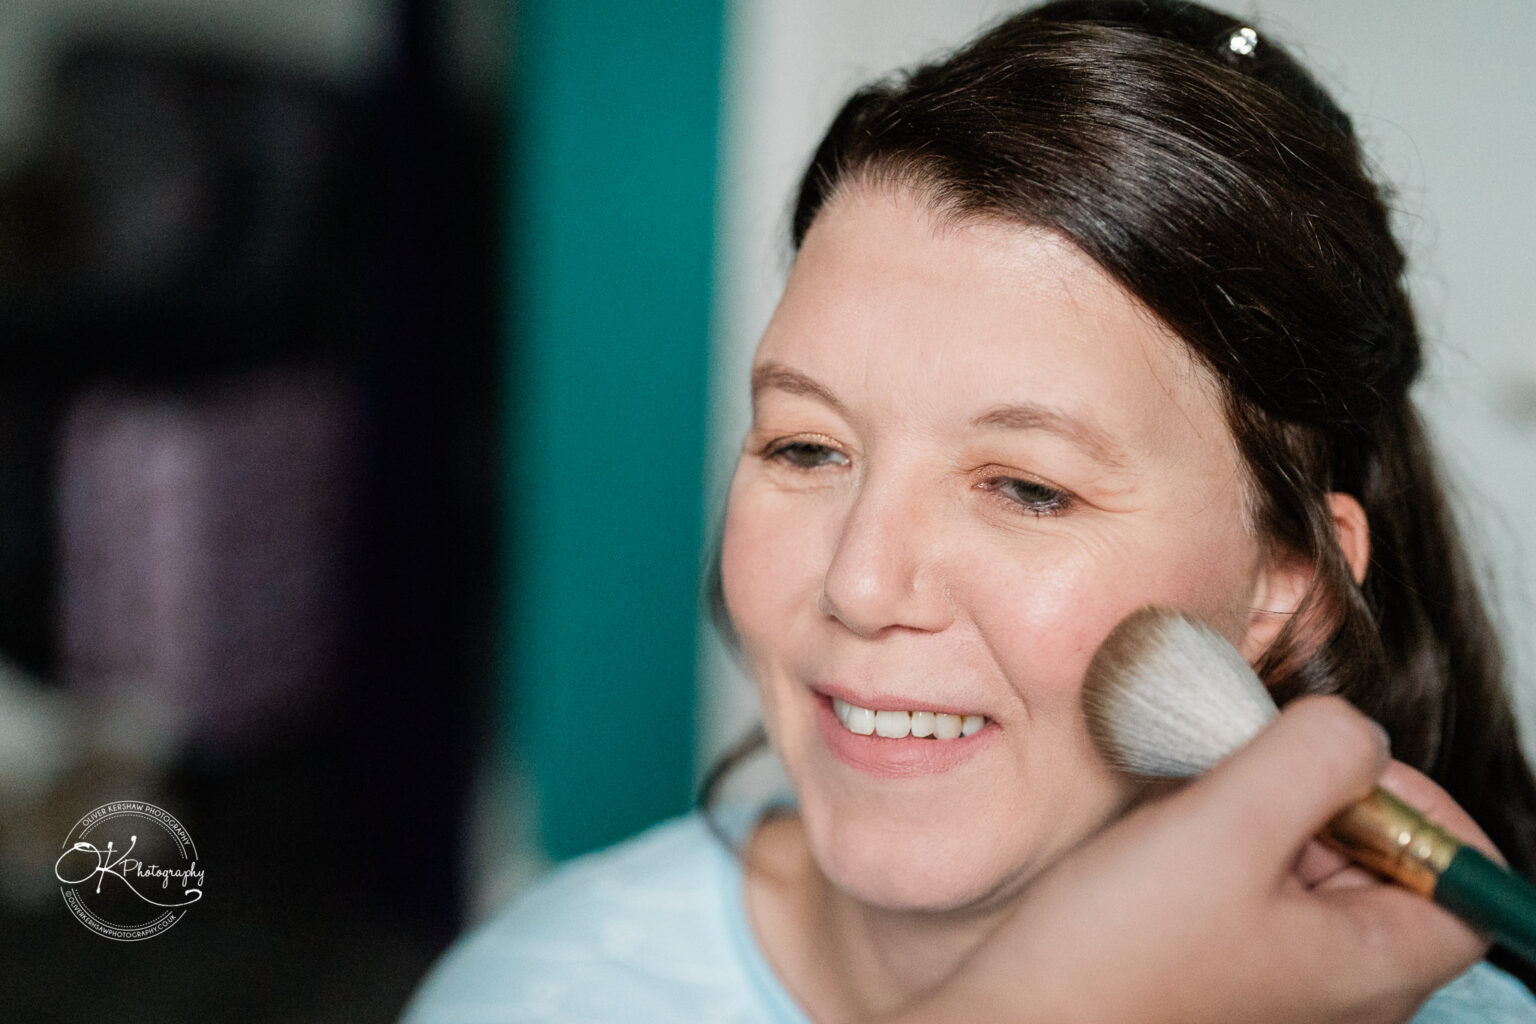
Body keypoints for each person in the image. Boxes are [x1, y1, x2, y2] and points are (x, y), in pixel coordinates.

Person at [401, 1, 1536, 1020]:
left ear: (1284, 591)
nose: (859, 580)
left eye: (1028, 487)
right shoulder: (539, 991)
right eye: (806, 447)